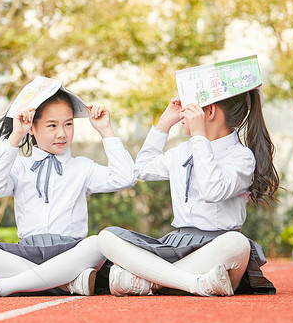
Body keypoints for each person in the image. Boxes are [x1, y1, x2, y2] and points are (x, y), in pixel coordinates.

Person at [0, 84, 136, 298]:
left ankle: (4, 287)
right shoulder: (20, 166)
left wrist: (105, 129)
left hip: (70, 253)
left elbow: (126, 178)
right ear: (32, 128)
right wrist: (15, 136)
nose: (62, 133)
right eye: (52, 126)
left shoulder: (82, 167)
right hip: (28, 253)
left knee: (98, 243)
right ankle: (65, 285)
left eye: (68, 124)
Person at [96, 87, 280, 297]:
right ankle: (195, 283)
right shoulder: (182, 151)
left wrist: (200, 137)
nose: (181, 111)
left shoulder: (241, 157)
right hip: (179, 245)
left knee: (237, 244)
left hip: (216, 249)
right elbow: (143, 169)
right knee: (105, 238)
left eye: (188, 105)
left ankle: (152, 282)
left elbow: (213, 190)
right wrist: (164, 123)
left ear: (209, 112)